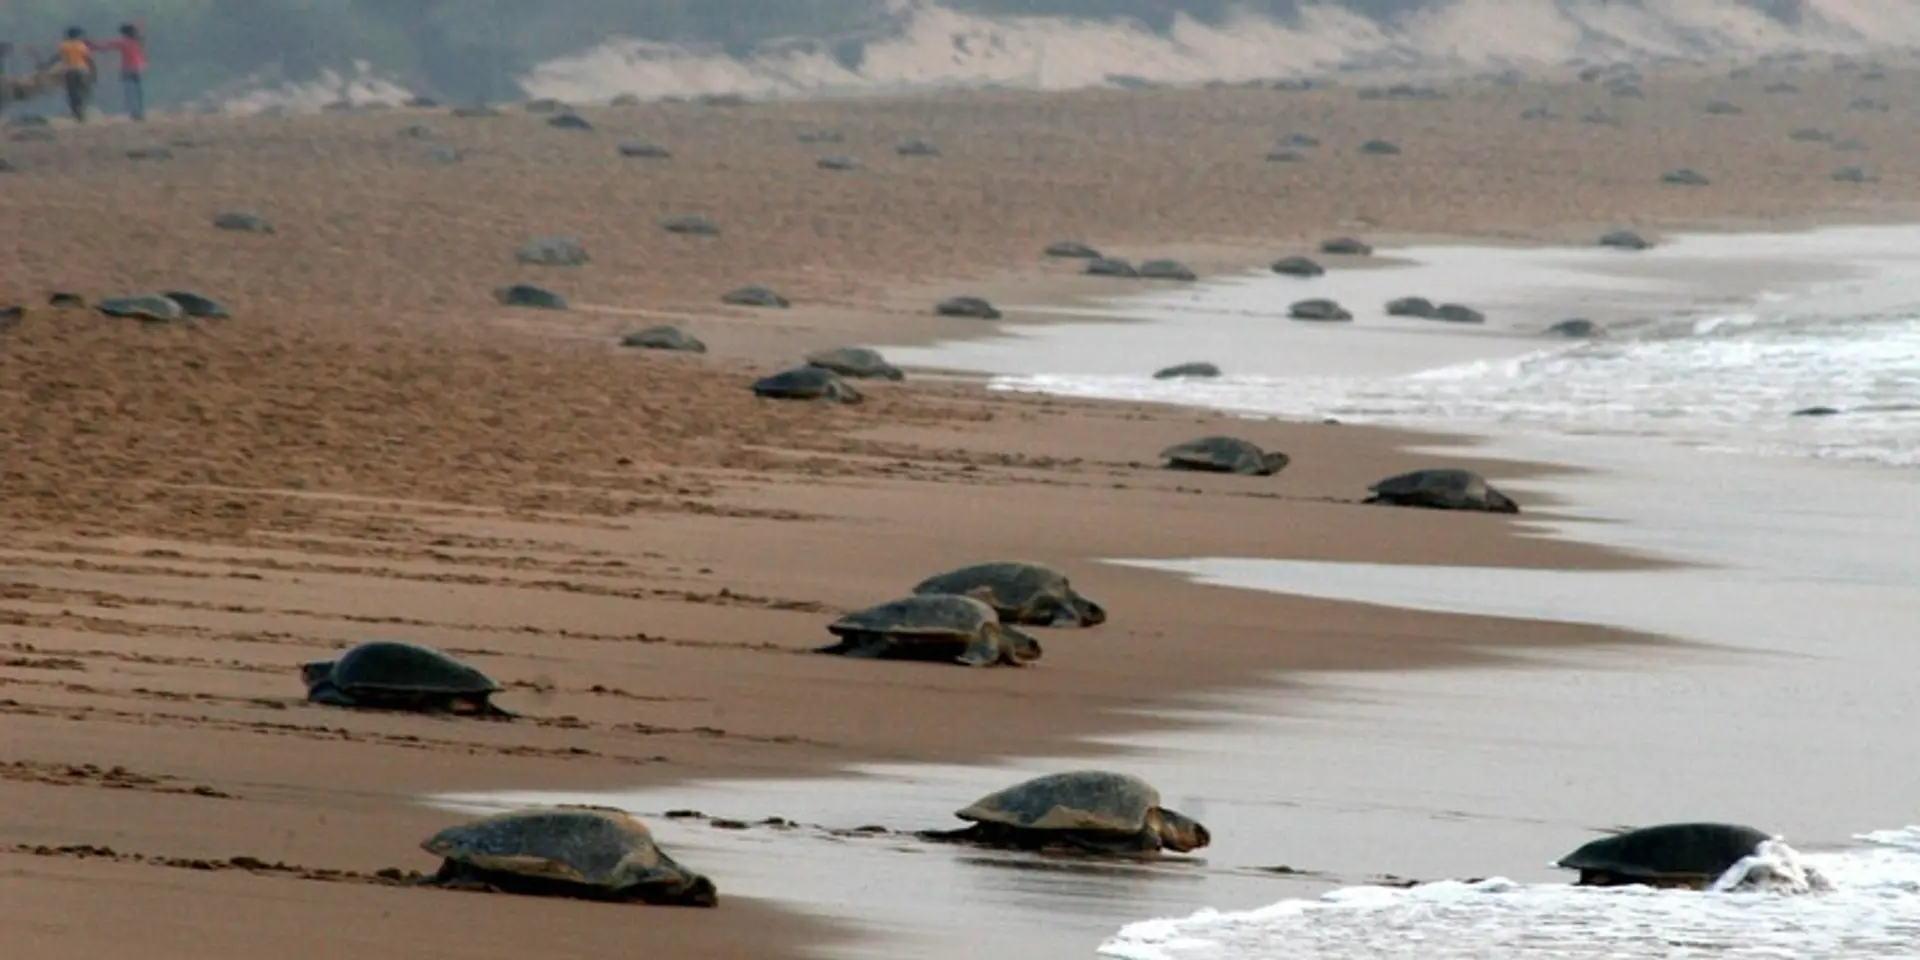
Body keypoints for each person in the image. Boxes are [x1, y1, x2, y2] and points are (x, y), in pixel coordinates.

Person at [90, 22, 146, 121]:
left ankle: (134, 113)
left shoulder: (123, 42)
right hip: (139, 68)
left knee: (130, 92)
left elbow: (105, 46)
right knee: (139, 92)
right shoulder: (138, 41)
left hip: (127, 68)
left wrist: (92, 45)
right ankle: (140, 113)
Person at [41, 27, 95, 122]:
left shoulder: (64, 46)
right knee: (84, 92)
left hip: (70, 72)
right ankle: (84, 110)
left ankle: (76, 113)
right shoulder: (82, 46)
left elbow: (57, 57)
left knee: (72, 94)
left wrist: (47, 65)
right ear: (78, 36)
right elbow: (89, 60)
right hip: (82, 71)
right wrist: (94, 73)